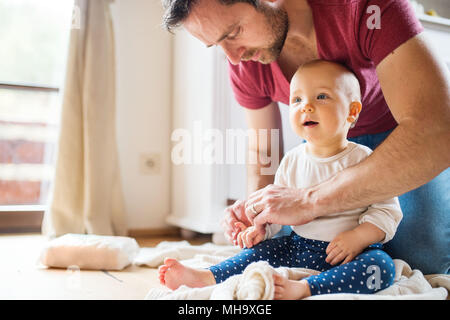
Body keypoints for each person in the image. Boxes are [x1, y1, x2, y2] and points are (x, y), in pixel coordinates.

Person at [161, 0, 450, 274]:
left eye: (234, 33)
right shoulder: (244, 63)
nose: (234, 58)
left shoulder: (365, 8)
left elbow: (436, 131)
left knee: (422, 257)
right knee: (280, 245)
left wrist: (310, 200)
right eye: (218, 45)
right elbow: (265, 151)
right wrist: (255, 209)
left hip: (401, 141)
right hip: (323, 146)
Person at [159, 60, 402, 298]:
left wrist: (359, 237)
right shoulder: (292, 160)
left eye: (321, 97)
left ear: (352, 111)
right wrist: (260, 228)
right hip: (299, 246)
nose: (306, 106)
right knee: (259, 252)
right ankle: (207, 277)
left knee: (381, 267)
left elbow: (387, 211)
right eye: (297, 99)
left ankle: (307, 288)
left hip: (351, 253)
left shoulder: (364, 159)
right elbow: (278, 209)